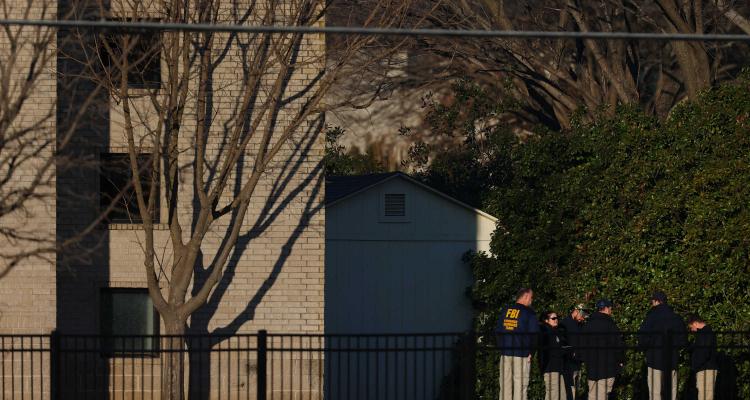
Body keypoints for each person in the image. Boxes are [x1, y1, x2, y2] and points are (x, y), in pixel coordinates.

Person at [638, 291, 687, 400]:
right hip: (672, 359)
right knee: (671, 391)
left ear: (656, 301)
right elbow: (683, 340)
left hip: (655, 359)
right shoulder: (676, 318)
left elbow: (642, 338)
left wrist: (647, 349)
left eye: (652, 301)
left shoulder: (651, 317)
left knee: (656, 392)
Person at [496, 288, 540, 400]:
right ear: (525, 296)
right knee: (520, 388)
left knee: (505, 387)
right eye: (531, 297)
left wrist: (502, 348)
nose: (532, 300)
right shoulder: (529, 313)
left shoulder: (505, 310)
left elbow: (498, 332)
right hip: (521, 354)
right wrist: (531, 352)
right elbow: (534, 335)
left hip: (505, 353)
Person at [580, 299, 624, 400]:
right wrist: (620, 360)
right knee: (602, 394)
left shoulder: (588, 325)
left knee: (592, 394)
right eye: (610, 308)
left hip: (592, 367)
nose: (611, 310)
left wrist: (586, 360)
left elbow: (582, 345)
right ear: (606, 309)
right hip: (607, 367)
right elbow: (617, 345)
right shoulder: (610, 324)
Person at [559, 304, 587, 399]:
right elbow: (561, 343)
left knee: (576, 388)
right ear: (576, 311)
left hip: (578, 362)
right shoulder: (564, 323)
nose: (583, 318)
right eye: (582, 315)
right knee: (569, 389)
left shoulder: (581, 325)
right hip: (568, 363)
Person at [687, 314, 718, 400]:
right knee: (704, 395)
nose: (692, 330)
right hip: (704, 369)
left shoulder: (705, 333)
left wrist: (696, 365)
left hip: (706, 369)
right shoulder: (704, 333)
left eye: (691, 327)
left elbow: (704, 352)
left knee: (705, 396)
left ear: (695, 323)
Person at [540, 311, 566, 400]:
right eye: (553, 318)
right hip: (550, 369)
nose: (556, 320)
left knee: (562, 395)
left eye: (557, 318)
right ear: (546, 320)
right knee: (553, 395)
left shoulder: (555, 332)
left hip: (558, 368)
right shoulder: (546, 332)